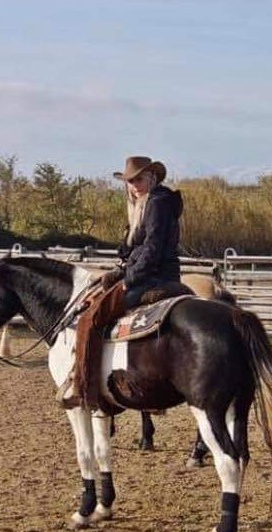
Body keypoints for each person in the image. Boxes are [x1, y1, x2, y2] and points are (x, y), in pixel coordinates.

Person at [67, 155, 184, 411]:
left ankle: (85, 388)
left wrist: (128, 279)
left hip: (153, 276)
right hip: (153, 272)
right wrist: (121, 270)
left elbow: (152, 248)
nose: (134, 185)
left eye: (139, 179)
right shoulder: (146, 203)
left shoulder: (156, 203)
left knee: (91, 317)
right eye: (130, 181)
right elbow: (139, 249)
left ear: (152, 177)